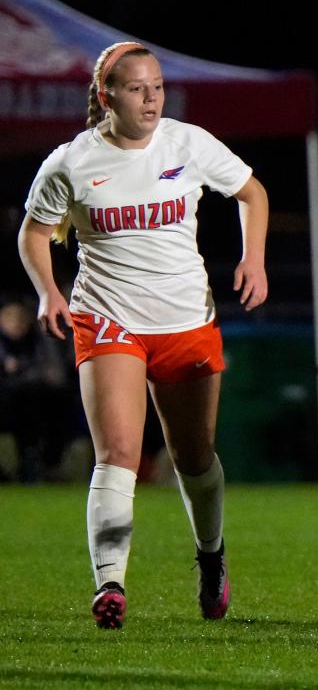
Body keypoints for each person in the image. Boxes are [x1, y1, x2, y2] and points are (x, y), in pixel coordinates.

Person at [18, 42, 269, 629]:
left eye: (157, 85)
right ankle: (110, 584)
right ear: (107, 97)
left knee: (194, 458)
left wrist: (252, 258)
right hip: (109, 318)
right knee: (120, 454)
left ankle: (211, 557)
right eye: (137, 88)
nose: (151, 97)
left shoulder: (189, 143)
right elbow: (35, 234)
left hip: (186, 319)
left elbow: (252, 193)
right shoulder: (71, 162)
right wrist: (48, 291)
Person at [0, 297, 73, 482]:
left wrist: (23, 369)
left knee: (51, 402)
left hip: (37, 406)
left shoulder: (40, 341)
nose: (16, 323)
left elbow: (56, 375)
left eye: (20, 317)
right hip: (7, 404)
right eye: (9, 317)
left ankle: (40, 463)